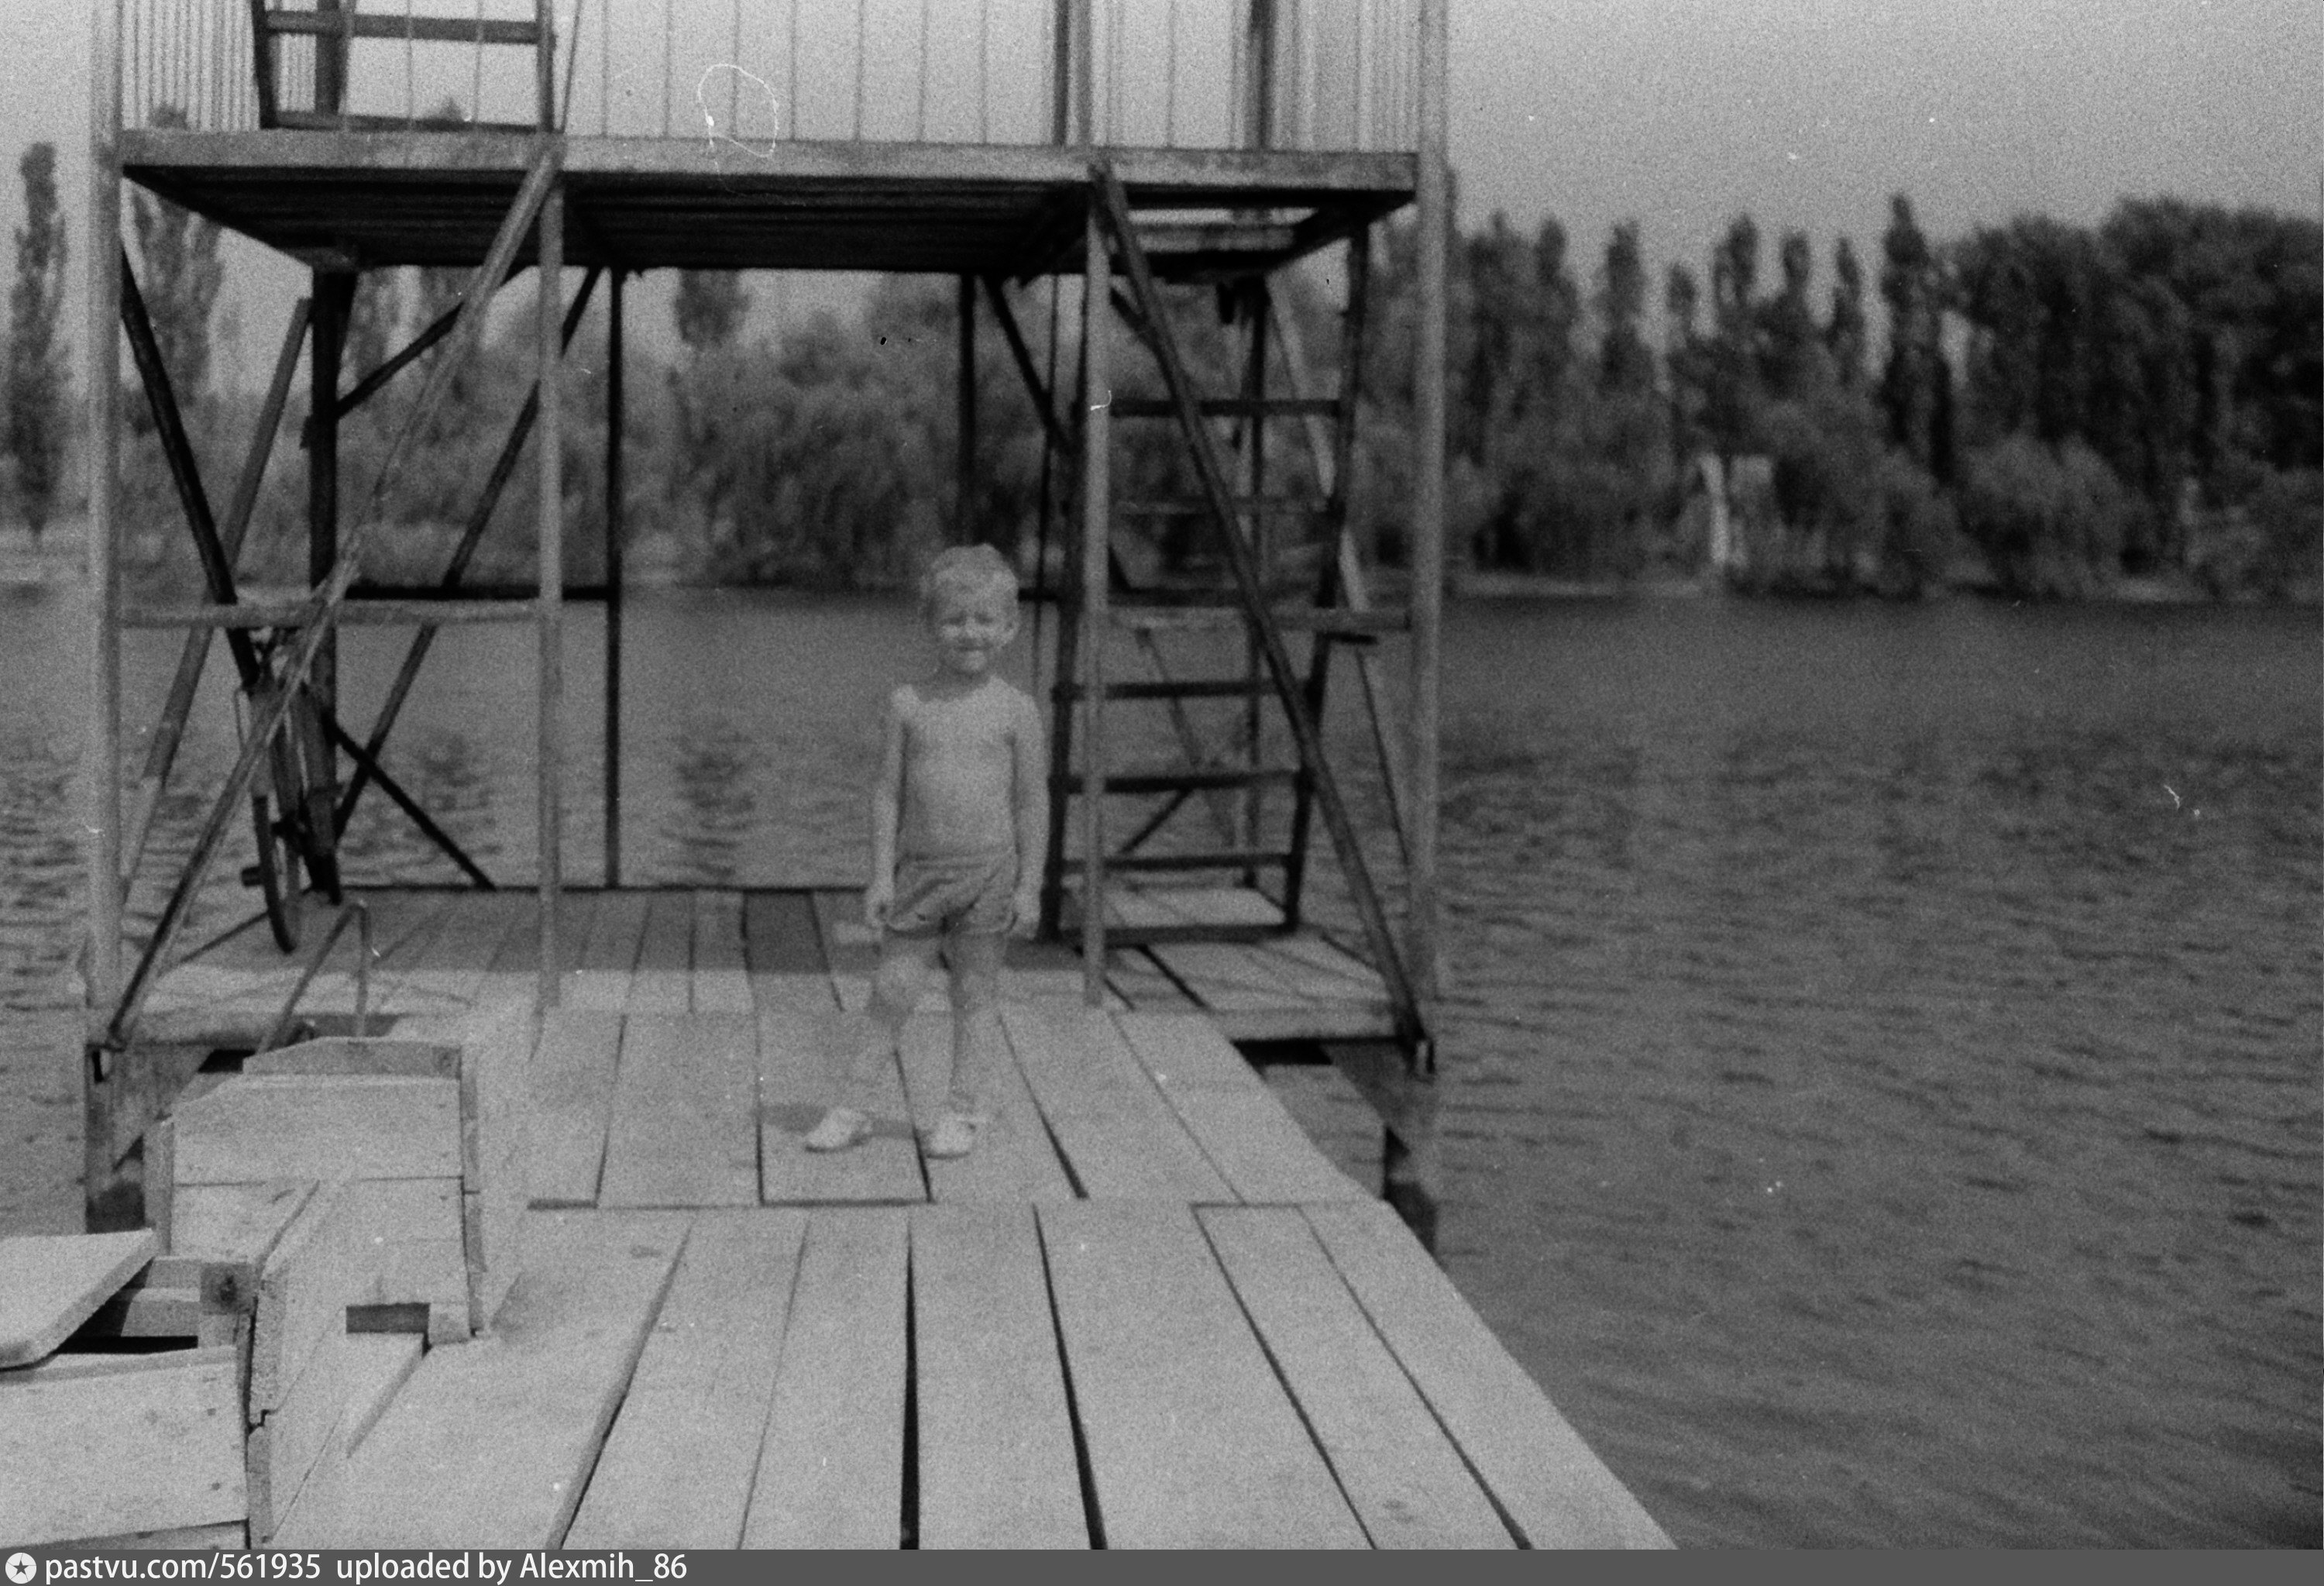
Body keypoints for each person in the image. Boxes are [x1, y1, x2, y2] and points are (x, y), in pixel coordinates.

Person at [806, 543, 1047, 1160]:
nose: (970, 633)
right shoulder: (908, 704)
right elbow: (887, 793)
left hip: (990, 875)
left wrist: (1030, 885)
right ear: (929, 624)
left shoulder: (1017, 711)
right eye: (954, 619)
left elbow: (1030, 803)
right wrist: (879, 876)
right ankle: (854, 1105)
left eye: (985, 619)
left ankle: (965, 1109)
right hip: (920, 876)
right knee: (892, 989)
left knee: (975, 993)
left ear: (1010, 627)